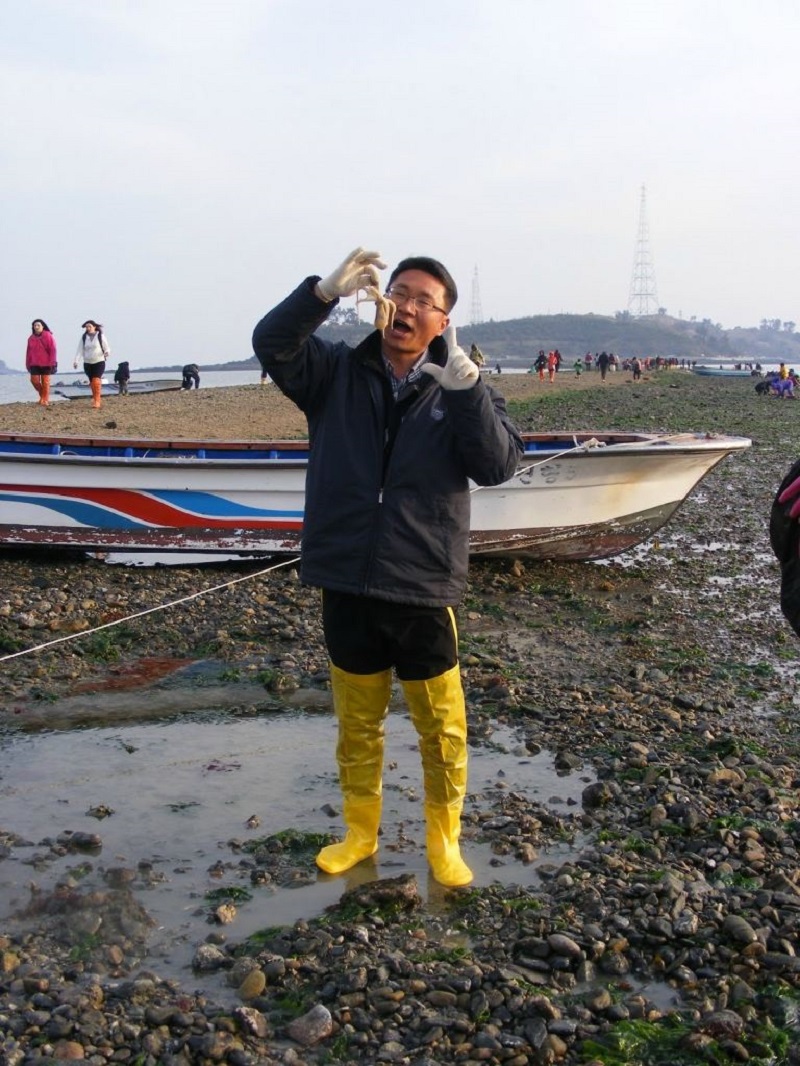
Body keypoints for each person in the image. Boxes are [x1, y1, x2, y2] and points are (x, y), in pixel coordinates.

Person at [252, 247, 523, 887]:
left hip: (422, 585)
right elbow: (271, 342)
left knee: (442, 728)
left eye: (423, 299)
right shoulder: (334, 373)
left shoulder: (463, 387)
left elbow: (497, 464)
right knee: (358, 724)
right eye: (398, 292)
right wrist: (320, 293)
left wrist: (466, 391)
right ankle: (359, 834)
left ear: (444, 319)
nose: (406, 306)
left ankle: (444, 841)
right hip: (346, 577)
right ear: (379, 302)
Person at [73, 320, 111, 408]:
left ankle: (97, 401)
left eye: (89, 326)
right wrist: (76, 361)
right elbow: (80, 350)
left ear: (94, 327)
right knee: (92, 383)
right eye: (86, 327)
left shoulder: (100, 336)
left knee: (96, 381)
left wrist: (107, 352)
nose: (88, 328)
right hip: (87, 363)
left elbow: (107, 347)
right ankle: (95, 399)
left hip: (99, 361)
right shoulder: (84, 337)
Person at [26, 319, 57, 406]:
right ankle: (43, 396)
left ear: (43, 326)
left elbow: (53, 349)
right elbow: (28, 352)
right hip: (34, 363)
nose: (36, 327)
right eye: (35, 325)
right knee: (34, 381)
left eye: (38, 325)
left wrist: (53, 362)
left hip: (47, 363)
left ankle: (45, 399)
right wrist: (27, 363)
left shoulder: (48, 335)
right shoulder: (30, 338)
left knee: (45, 382)